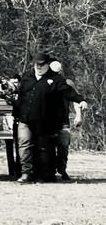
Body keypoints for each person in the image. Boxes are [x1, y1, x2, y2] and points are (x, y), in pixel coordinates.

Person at [15, 52, 87, 183]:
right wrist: (16, 113)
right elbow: (20, 97)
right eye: (36, 64)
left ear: (48, 65)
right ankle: (26, 173)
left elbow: (68, 91)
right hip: (26, 119)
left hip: (44, 121)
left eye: (42, 64)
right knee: (24, 143)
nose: (39, 67)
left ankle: (45, 174)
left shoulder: (56, 79)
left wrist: (80, 100)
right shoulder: (26, 78)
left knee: (44, 148)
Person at [49, 60, 85, 180]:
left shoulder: (68, 83)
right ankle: (50, 170)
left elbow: (75, 99)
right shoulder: (46, 83)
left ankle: (62, 169)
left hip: (63, 120)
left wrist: (78, 115)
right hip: (48, 120)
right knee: (48, 145)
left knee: (63, 145)